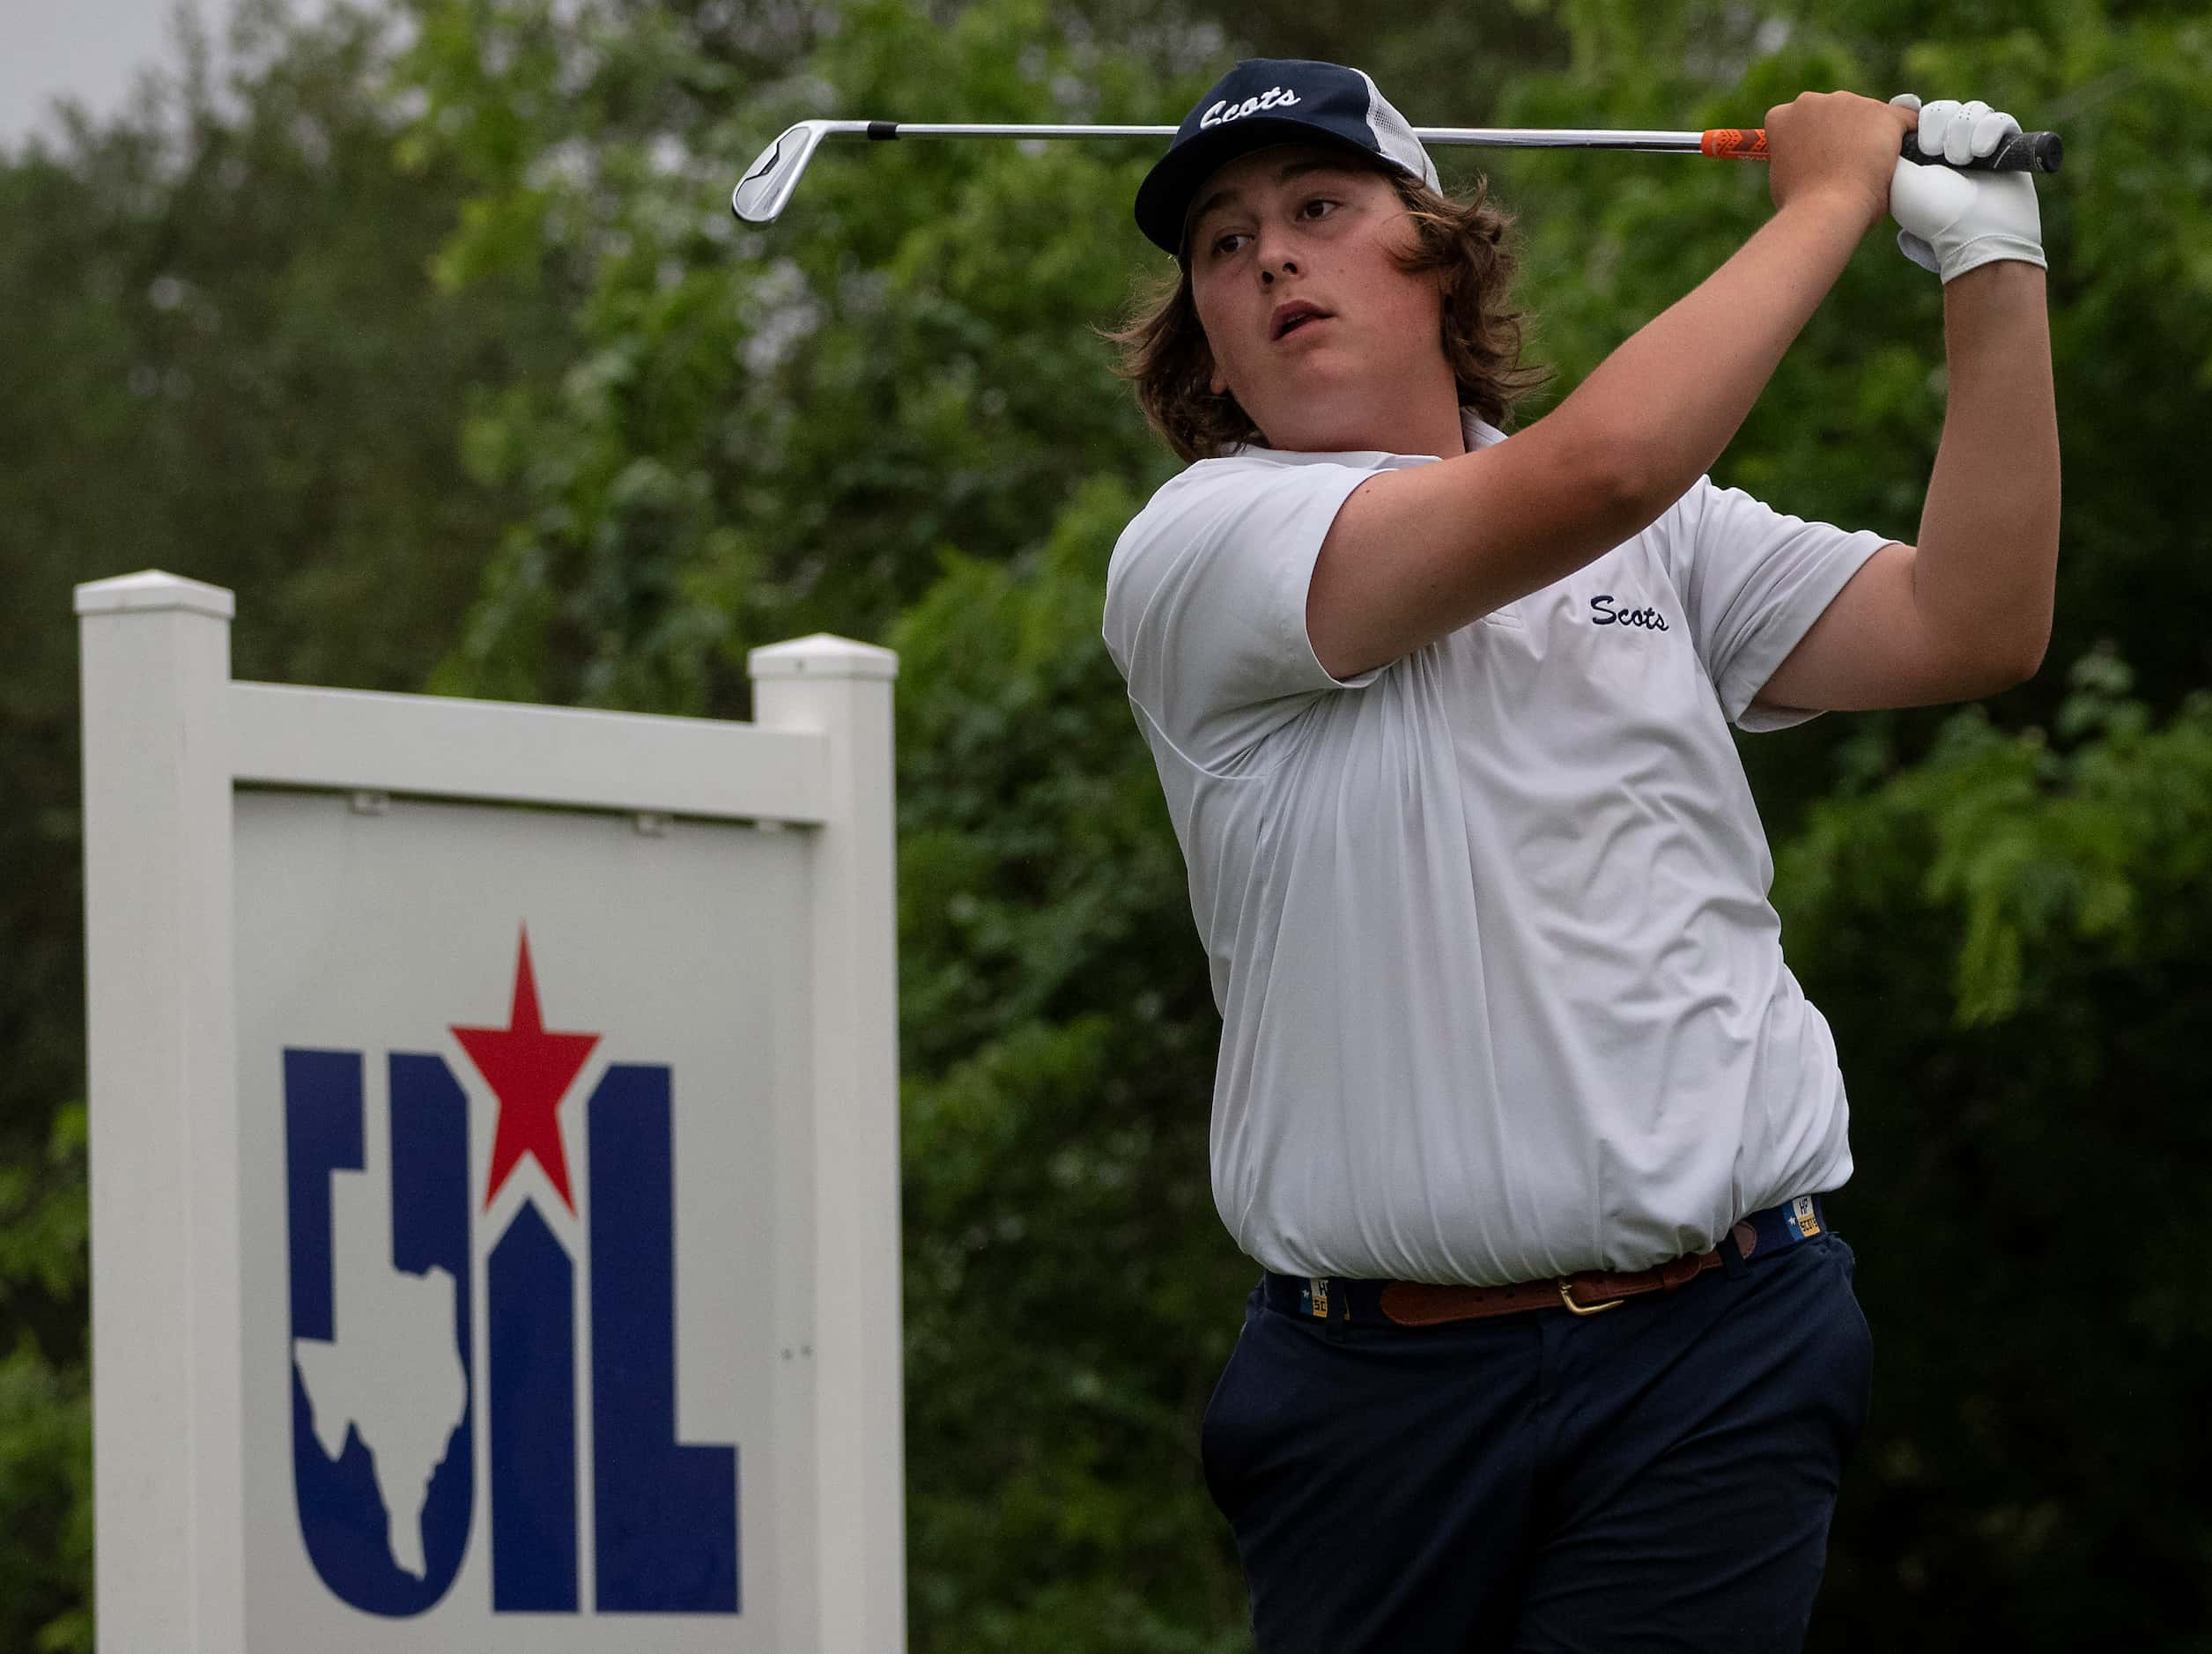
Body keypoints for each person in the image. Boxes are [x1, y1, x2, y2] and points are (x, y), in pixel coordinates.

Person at [1099, 56, 2057, 1654]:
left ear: (1437, 253)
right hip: (1375, 1395)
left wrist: (1991, 268)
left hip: (1722, 1337)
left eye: (1320, 208)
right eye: (1219, 241)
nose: (1267, 256)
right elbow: (1598, 467)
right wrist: (1828, 196)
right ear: (1202, 329)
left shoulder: (1668, 543)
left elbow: (1971, 621)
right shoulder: (1201, 547)